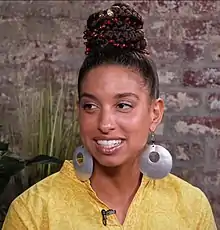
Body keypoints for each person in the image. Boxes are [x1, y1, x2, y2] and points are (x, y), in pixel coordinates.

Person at [2, 3, 217, 230]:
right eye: (90, 106)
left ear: (155, 114)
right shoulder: (32, 212)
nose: (105, 124)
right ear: (78, 111)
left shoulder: (191, 207)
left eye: (123, 105)